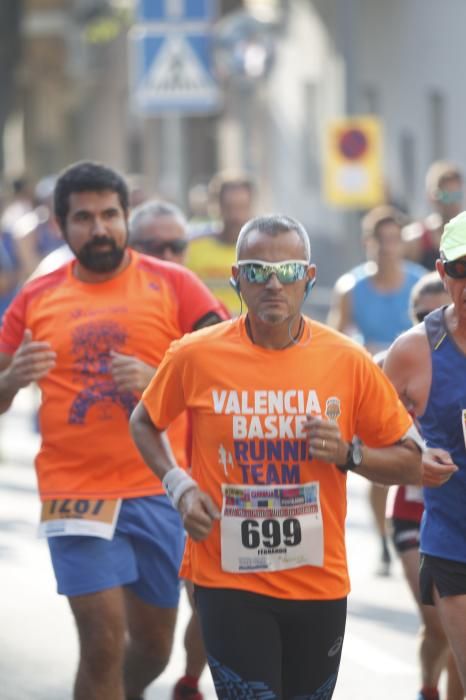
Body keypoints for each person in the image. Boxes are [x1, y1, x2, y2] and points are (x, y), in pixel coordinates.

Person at [129, 213, 431, 700]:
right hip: (227, 580)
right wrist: (179, 487)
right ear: (235, 279)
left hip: (319, 583)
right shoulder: (195, 355)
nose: (273, 283)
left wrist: (349, 453)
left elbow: (413, 460)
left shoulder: (346, 360)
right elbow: (143, 420)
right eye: (256, 270)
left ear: (309, 278)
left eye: (288, 272)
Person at [0, 161, 227, 700]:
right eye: (83, 217)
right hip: (75, 492)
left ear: (126, 218)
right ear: (61, 224)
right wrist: (11, 379)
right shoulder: (36, 297)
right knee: (102, 641)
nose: (98, 228)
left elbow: (228, 368)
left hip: (160, 488)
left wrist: (160, 380)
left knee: (151, 647)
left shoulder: (175, 284)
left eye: (109, 215)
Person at [129, 199, 208, 700]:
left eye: (176, 246)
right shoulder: (118, 303)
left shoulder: (204, 309)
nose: (168, 255)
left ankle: (189, 680)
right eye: (154, 247)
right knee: (127, 638)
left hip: (207, 476)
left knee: (210, 604)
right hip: (137, 486)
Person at [384, 210, 466, 694]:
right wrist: (412, 458)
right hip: (453, 539)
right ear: (442, 271)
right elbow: (367, 434)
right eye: (461, 269)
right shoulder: (415, 350)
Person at [327, 204, 426, 576]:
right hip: (373, 385)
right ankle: (386, 538)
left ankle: (417, 533)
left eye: (393, 240)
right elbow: (339, 336)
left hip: (414, 389)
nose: (387, 247)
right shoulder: (351, 287)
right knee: (377, 466)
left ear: (403, 243)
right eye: (379, 240)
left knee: (413, 461)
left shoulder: (420, 282)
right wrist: (362, 348)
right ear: (367, 243)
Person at [186, 171, 255, 315]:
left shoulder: (261, 251)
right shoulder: (192, 249)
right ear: (216, 206)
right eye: (230, 207)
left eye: (242, 207)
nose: (236, 216)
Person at [403, 161, 464, 270]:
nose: (452, 203)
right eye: (446, 196)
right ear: (432, 196)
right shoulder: (415, 239)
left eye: (456, 195)